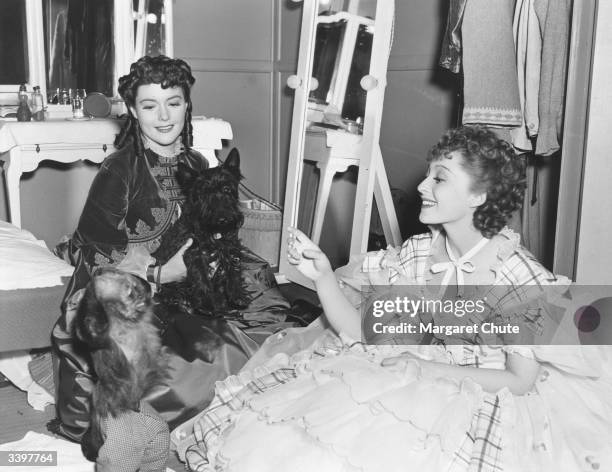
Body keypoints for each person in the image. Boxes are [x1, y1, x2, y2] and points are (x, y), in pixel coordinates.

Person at [178, 126, 612, 471]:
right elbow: (361, 332)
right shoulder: (419, 254)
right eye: (428, 172)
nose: (423, 185)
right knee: (299, 444)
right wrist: (325, 278)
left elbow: (521, 381)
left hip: (478, 395)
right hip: (401, 370)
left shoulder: (517, 276)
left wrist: (427, 367)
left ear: (479, 197)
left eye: (440, 178)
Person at [50, 55, 297, 444]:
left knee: (260, 305)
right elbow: (97, 257)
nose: (164, 117)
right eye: (150, 106)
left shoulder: (195, 161)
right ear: (133, 110)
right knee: (182, 366)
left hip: (189, 278)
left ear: (187, 105)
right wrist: (160, 275)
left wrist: (210, 257)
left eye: (174, 103)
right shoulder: (119, 170)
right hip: (126, 285)